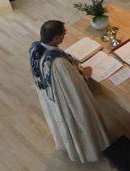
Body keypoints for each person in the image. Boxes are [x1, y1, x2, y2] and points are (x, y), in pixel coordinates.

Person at [29, 20, 109, 162]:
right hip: (64, 99)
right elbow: (74, 87)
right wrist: (85, 75)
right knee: (79, 117)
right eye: (63, 34)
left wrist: (69, 59)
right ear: (55, 38)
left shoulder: (35, 47)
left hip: (49, 95)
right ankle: (89, 149)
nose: (65, 35)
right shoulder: (58, 64)